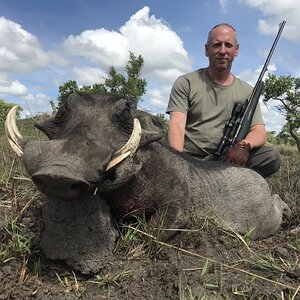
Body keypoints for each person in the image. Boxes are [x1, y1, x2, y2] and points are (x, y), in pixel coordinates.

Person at [166, 23, 281, 178]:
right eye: (216, 45)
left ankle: (230, 183)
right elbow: (177, 125)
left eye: (228, 45)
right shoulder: (186, 82)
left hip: (227, 159)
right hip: (191, 159)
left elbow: (259, 132)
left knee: (270, 156)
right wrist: (179, 164)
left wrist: (243, 146)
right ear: (207, 50)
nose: (222, 51)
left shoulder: (247, 91)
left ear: (236, 50)